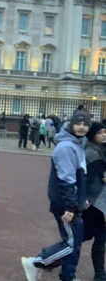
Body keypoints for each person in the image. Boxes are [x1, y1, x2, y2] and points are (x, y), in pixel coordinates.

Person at [21, 108, 91, 281]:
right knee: (71, 243)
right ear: (72, 125)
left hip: (73, 201)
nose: (82, 127)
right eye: (78, 123)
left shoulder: (76, 144)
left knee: (73, 241)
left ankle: (67, 276)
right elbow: (66, 180)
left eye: (85, 124)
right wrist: (71, 206)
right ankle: (36, 262)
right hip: (65, 202)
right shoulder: (67, 147)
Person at [83, 123, 106, 281]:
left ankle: (99, 273)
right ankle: (49, 258)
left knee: (93, 237)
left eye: (105, 132)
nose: (104, 135)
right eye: (100, 133)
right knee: (90, 236)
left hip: (99, 200)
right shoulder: (91, 151)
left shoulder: (102, 149)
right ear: (92, 135)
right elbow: (103, 175)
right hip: (93, 201)